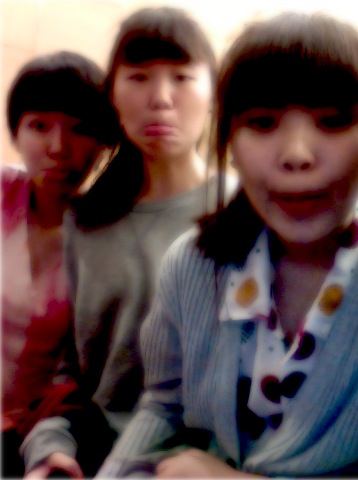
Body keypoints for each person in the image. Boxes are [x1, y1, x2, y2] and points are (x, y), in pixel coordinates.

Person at [96, 11, 358, 478]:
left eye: (332, 121)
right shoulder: (192, 264)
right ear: (229, 140)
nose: (297, 155)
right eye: (262, 123)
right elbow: (164, 405)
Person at [21, 6, 220, 478]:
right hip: (91, 452)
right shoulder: (86, 219)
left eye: (182, 78)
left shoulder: (245, 215)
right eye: (139, 77)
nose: (160, 98)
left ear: (214, 95)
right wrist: (49, 445)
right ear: (112, 93)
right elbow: (75, 367)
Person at [1, 50, 112, 478]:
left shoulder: (106, 237)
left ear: (105, 140)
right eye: (39, 126)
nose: (58, 148)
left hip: (28, 439)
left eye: (80, 128)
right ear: (16, 132)